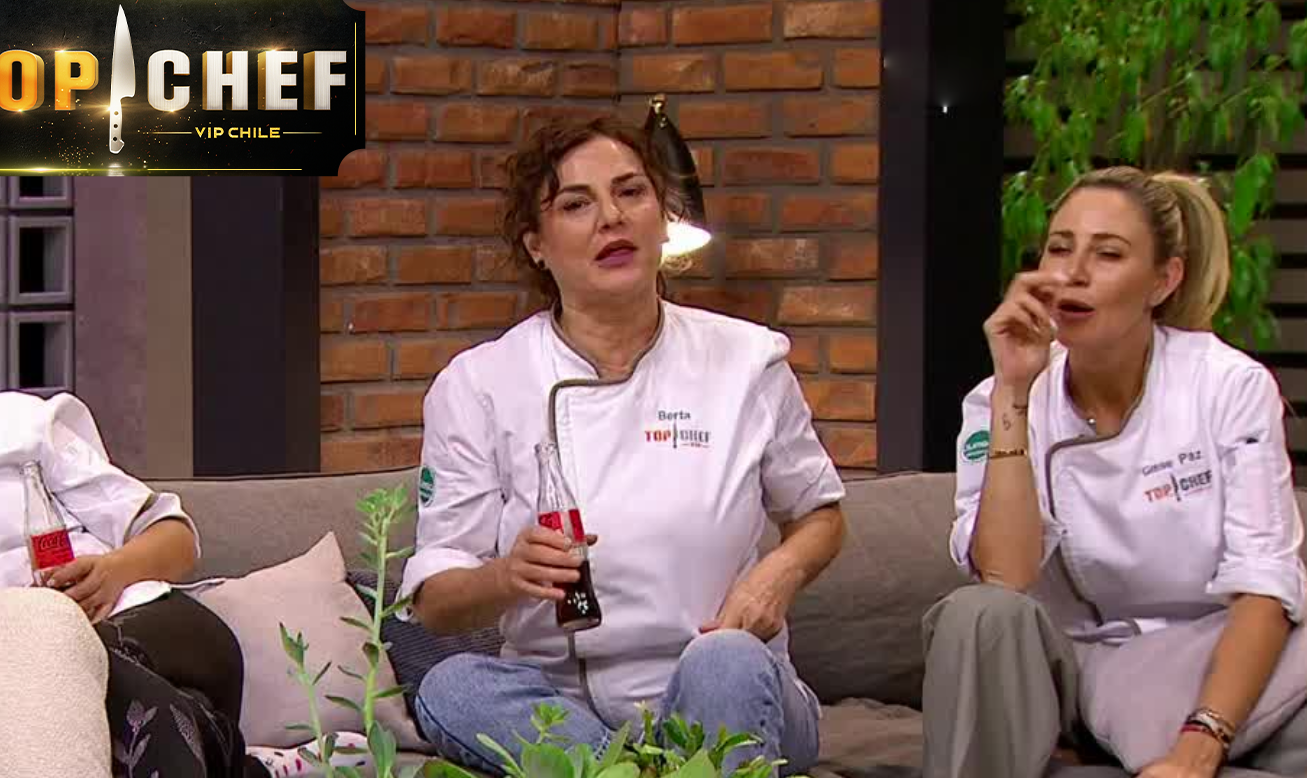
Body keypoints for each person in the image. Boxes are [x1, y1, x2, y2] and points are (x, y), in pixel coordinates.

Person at [395, 116, 847, 775]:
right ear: (537, 246)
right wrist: (506, 576)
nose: (612, 217)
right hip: (564, 705)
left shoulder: (747, 360)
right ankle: (636, 770)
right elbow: (435, 602)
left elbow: (821, 516)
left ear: (663, 219)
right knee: (452, 686)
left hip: (725, 679)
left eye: (631, 192)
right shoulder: (480, 383)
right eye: (576, 205)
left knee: (725, 661)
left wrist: (774, 578)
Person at [923, 167, 1307, 778]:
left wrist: (1197, 747)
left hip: (1207, 656)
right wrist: (1012, 394)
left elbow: (1265, 583)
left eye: (1107, 254)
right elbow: (1005, 576)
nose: (1073, 274)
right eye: (1059, 249)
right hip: (1071, 668)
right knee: (979, 613)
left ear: (1163, 281)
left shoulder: (1228, 386)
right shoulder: (997, 399)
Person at [0, 349, 268, 778]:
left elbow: (176, 539)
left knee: (51, 671)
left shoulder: (5, 423)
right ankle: (232, 757)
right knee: (38, 682)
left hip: (144, 623)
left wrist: (113, 572)